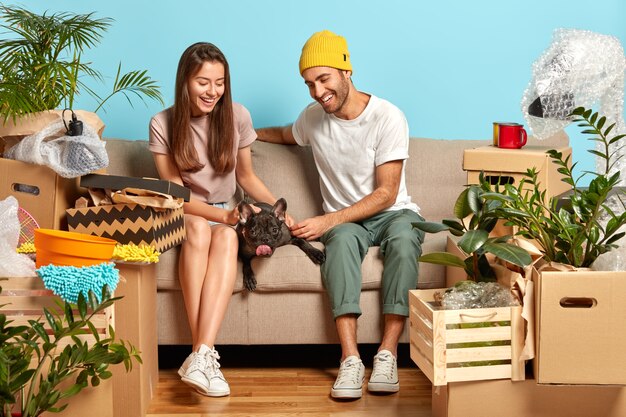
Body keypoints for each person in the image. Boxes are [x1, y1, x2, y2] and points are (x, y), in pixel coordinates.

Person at [256, 30, 425, 400]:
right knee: (342, 245)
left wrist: (327, 220)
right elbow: (287, 134)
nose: (317, 91)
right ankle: (350, 359)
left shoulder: (387, 117)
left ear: (347, 71)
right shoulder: (313, 118)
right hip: (347, 225)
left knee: (403, 239)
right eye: (309, 83)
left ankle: (387, 353)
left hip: (392, 213)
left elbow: (386, 192)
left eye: (324, 78)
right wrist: (244, 133)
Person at [149, 42, 285, 397]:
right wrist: (221, 215)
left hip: (227, 212)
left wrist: (280, 211)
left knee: (225, 237)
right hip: (185, 211)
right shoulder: (162, 123)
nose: (213, 92)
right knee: (199, 229)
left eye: (220, 83)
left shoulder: (237, 116)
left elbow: (248, 179)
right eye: (203, 83)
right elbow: (177, 196)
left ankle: (200, 355)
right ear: (185, 82)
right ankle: (204, 357)